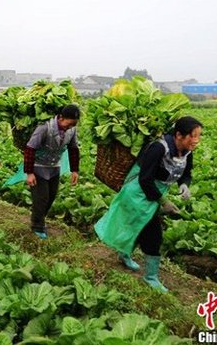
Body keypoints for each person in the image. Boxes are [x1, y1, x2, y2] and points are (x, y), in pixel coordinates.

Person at [94, 116, 203, 293]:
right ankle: (150, 277)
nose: (196, 140)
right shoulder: (158, 148)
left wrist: (184, 185)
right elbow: (145, 179)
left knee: (139, 225)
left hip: (155, 192)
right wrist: (163, 201)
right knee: (153, 235)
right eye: (193, 136)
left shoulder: (187, 152)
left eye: (199, 136)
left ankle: (124, 254)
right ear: (179, 135)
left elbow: (186, 173)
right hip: (138, 192)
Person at [24, 104, 81, 239]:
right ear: (61, 118)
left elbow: (73, 149)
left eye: (73, 125)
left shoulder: (71, 131)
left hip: (54, 167)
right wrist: (29, 173)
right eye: (69, 123)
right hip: (38, 166)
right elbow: (30, 148)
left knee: (51, 197)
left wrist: (75, 170)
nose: (70, 127)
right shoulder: (45, 128)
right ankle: (37, 225)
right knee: (41, 197)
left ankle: (39, 219)